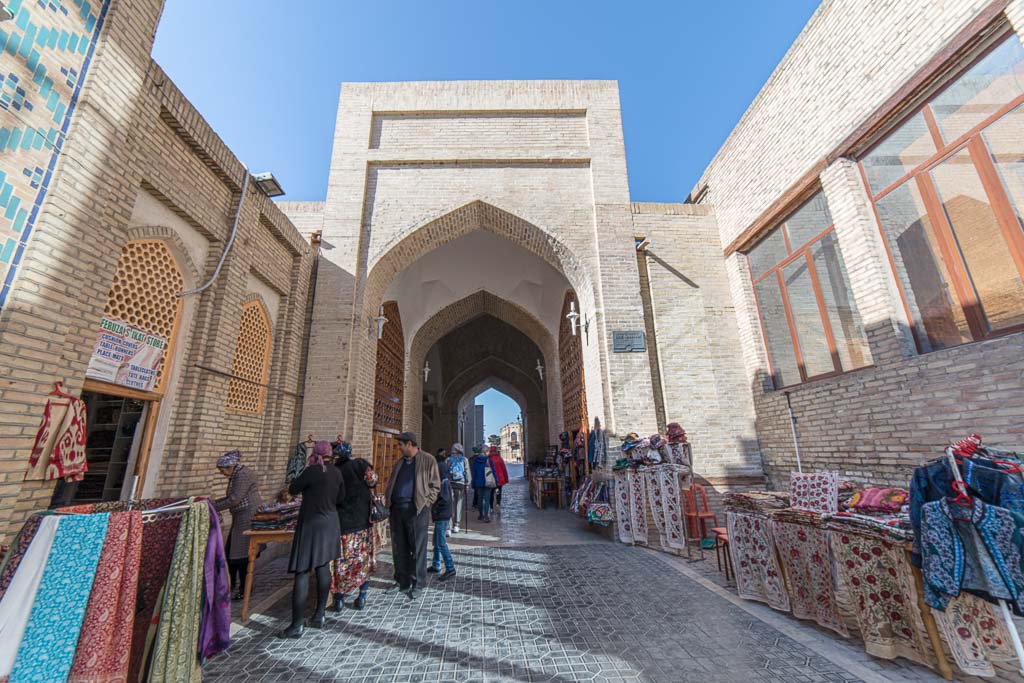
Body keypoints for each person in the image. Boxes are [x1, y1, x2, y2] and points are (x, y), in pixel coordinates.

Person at [278, 440, 345, 638]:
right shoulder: (336, 473)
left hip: (310, 524)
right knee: (323, 567)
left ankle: (297, 624)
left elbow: (293, 488)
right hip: (330, 523)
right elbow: (341, 498)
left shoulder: (311, 472)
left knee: (303, 572)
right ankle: (320, 615)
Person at [384, 432, 440, 600]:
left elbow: (435, 486)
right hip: (397, 510)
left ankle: (418, 583)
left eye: (400, 444)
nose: (398, 448)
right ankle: (402, 581)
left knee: (417, 547)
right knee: (399, 546)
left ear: (409, 444)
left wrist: (426, 503)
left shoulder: (428, 460)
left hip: (416, 510)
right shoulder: (400, 462)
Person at [330, 441, 378, 611]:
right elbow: (373, 480)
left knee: (342, 561)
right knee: (362, 559)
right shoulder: (360, 465)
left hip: (342, 523)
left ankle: (339, 598)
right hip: (362, 520)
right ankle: (362, 595)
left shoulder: (333, 470)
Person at [213, 449, 262, 600]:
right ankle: (231, 585)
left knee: (242, 555)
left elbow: (234, 499)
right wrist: (215, 503)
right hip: (241, 517)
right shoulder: (237, 475)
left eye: (222, 470)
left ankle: (243, 587)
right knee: (233, 553)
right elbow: (232, 497)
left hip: (247, 518)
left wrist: (213, 506)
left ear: (231, 467)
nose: (222, 473)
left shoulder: (242, 475)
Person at [427, 457, 457, 580]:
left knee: (441, 542)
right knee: (436, 541)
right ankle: (436, 564)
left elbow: (443, 500)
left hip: (442, 516)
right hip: (442, 515)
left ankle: (450, 568)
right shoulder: (445, 481)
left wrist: (433, 506)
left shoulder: (443, 483)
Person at [445, 443, 469, 533]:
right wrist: (467, 483)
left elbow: (445, 471)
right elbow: (467, 472)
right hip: (460, 484)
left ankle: (448, 526)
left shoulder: (448, 459)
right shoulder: (464, 460)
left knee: (449, 504)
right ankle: (457, 525)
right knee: (458, 504)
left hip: (450, 484)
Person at [471, 447, 498, 523]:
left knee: (479, 499)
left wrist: (473, 483)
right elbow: (493, 471)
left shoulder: (476, 461)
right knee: (487, 500)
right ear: (485, 452)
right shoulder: (489, 460)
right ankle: (486, 516)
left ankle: (480, 515)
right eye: (488, 451)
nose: (489, 453)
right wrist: (496, 480)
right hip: (488, 482)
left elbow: (474, 473)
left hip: (478, 482)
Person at [488, 445, 510, 516]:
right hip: (498, 480)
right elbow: (504, 469)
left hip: (491, 480)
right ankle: (497, 504)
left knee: (491, 494)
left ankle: (491, 507)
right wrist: (506, 478)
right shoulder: (499, 459)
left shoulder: (488, 459)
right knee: (498, 492)